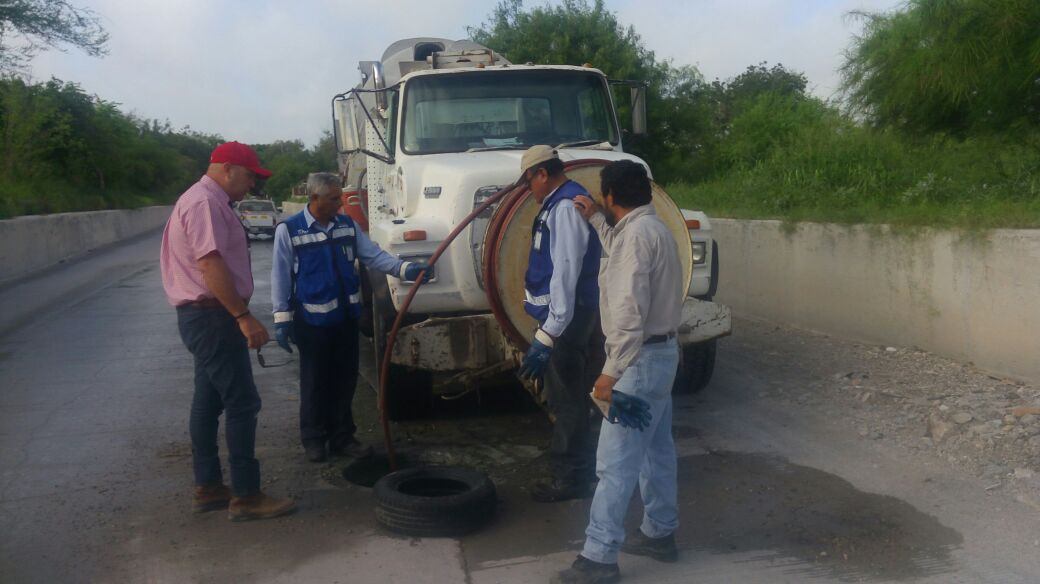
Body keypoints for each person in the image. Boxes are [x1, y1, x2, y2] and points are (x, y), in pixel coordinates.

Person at [552, 160, 685, 584]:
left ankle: (599, 558)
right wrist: (594, 218)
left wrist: (609, 374)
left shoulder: (635, 239)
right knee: (656, 451)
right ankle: (659, 534)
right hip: (662, 357)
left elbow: (628, 313)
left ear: (610, 195)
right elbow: (620, 252)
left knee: (614, 463)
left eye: (601, 198)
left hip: (637, 363)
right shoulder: (651, 229)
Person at [160, 141, 296, 521]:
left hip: (203, 316)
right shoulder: (205, 202)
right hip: (214, 316)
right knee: (241, 402)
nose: (252, 185)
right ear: (227, 169)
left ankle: (208, 487)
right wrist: (242, 316)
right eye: (250, 175)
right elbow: (210, 263)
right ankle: (246, 496)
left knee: (207, 401)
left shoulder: (205, 199)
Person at [271, 172, 432, 463]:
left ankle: (343, 437)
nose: (340, 204)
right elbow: (280, 275)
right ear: (315, 198)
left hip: (345, 319)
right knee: (315, 380)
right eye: (334, 199)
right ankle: (314, 439)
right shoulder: (290, 230)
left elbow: (372, 255)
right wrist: (281, 317)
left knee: (345, 380)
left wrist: (404, 269)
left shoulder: (347, 225)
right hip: (312, 322)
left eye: (341, 198)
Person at [516, 145, 605, 503]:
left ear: (541, 173)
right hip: (564, 316)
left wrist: (550, 333)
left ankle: (571, 479)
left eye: (529, 181)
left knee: (567, 399)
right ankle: (579, 469)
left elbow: (566, 272)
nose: (528, 190)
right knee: (567, 395)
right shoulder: (557, 204)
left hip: (566, 318)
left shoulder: (565, 207)